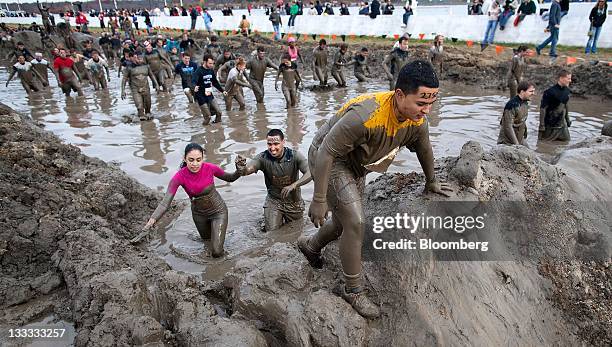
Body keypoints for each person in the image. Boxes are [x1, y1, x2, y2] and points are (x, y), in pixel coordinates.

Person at [298, 60, 452, 319]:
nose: (426, 110)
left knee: (343, 222)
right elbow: (326, 151)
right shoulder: (366, 116)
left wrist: (432, 181)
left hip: (356, 164)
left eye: (431, 104)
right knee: (356, 222)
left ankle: (311, 247)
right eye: (421, 103)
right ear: (400, 94)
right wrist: (319, 198)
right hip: (330, 158)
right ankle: (353, 290)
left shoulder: (415, 121)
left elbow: (425, 149)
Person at [142, 143, 244, 257]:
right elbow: (165, 203)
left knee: (217, 251)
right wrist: (151, 222)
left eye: (198, 160)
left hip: (218, 212)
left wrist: (239, 171)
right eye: (191, 160)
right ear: (184, 158)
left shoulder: (210, 168)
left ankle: (223, 264)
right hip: (199, 215)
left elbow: (230, 178)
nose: (195, 164)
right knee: (207, 243)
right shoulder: (179, 177)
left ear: (202, 158)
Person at [238, 129, 312, 231]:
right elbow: (248, 170)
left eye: (276, 144)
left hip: (294, 202)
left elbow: (310, 172)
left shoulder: (295, 156)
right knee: (271, 233)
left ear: (283, 142)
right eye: (269, 144)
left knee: (296, 231)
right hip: (274, 201)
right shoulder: (262, 157)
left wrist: (294, 185)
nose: (272, 148)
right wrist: (241, 167)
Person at [120, 53, 160, 121]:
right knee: (140, 107)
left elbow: (152, 76)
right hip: (135, 89)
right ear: (133, 58)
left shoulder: (146, 66)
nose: (139, 60)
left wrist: (156, 85)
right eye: (136, 58)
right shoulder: (129, 68)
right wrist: (123, 91)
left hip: (146, 88)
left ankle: (149, 127)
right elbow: (124, 79)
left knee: (148, 109)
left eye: (140, 58)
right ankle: (141, 120)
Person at [497, 81, 535, 146]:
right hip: (507, 142)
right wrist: (516, 144)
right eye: (531, 91)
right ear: (522, 92)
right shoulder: (512, 105)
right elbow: (508, 126)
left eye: (533, 91)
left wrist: (524, 135)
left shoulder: (525, 102)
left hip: (519, 139)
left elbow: (522, 120)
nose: (533, 93)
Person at [192, 54, 226, 125]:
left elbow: (215, 82)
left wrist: (222, 91)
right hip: (201, 96)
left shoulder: (211, 70)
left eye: (212, 63)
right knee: (208, 117)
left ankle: (217, 127)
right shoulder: (199, 70)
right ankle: (205, 130)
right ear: (205, 62)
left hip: (209, 94)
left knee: (219, 112)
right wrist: (194, 86)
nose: (212, 65)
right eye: (210, 63)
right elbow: (194, 80)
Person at [539, 70, 572, 142]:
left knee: (567, 141)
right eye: (568, 78)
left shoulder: (567, 91)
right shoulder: (549, 92)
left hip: (562, 124)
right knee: (543, 143)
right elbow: (542, 109)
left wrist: (567, 119)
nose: (570, 80)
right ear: (561, 78)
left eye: (570, 78)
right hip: (550, 124)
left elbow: (565, 106)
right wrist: (542, 125)